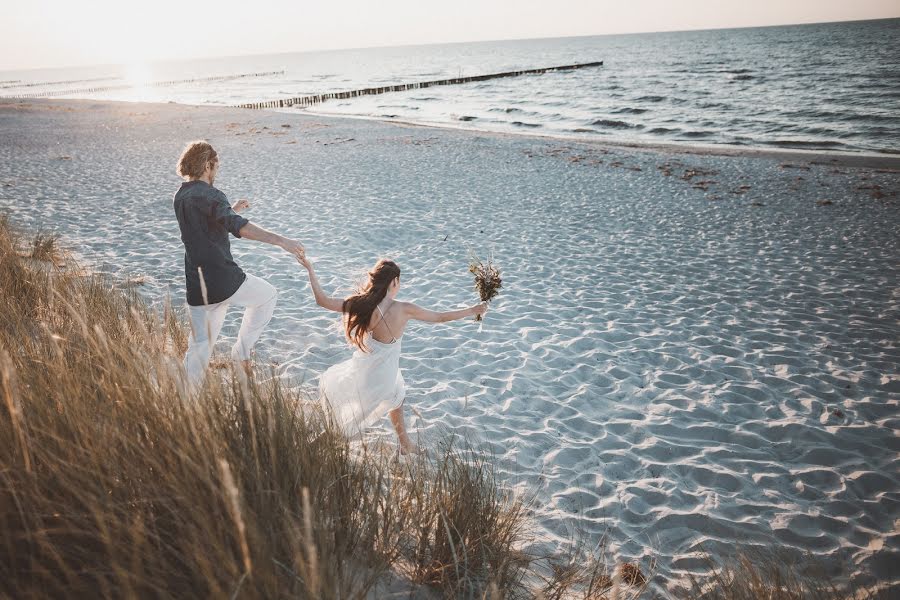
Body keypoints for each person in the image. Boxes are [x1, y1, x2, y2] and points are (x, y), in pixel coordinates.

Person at [296, 256, 487, 454]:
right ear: (394, 282)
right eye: (399, 281)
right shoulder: (404, 309)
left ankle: (405, 445)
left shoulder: (362, 304)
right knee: (346, 427)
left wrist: (310, 268)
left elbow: (322, 300)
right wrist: (472, 310)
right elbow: (440, 317)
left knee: (398, 397)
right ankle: (307, 450)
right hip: (382, 376)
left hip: (366, 369)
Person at [173, 140, 305, 393]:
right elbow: (239, 227)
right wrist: (282, 241)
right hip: (224, 280)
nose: (217, 172)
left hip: (197, 285)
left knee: (199, 346)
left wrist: (229, 210)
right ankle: (241, 352)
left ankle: (186, 405)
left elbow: (205, 228)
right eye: (216, 166)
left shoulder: (181, 195)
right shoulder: (211, 194)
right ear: (208, 165)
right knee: (268, 295)